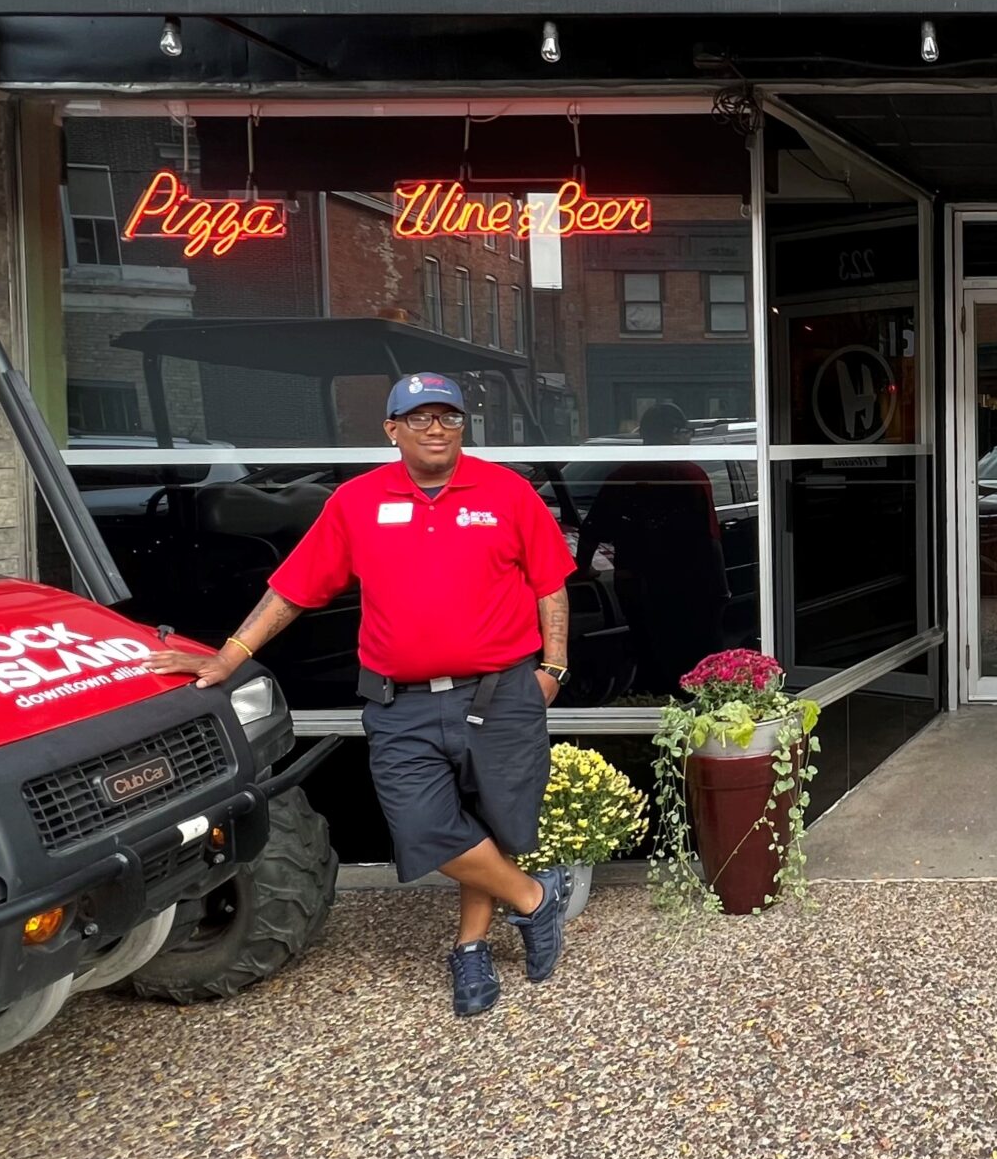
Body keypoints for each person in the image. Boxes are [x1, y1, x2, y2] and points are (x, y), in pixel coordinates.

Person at [148, 373, 577, 1018]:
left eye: (450, 417)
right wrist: (229, 655)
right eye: (421, 417)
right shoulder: (357, 501)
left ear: (464, 425)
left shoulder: (506, 492)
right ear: (392, 429)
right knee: (424, 826)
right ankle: (535, 900)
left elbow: (551, 584)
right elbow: (293, 589)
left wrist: (554, 669)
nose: (437, 429)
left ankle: (469, 949)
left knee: (495, 822)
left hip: (500, 693)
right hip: (400, 703)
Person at [580, 404, 729, 696]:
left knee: (648, 653)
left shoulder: (623, 475)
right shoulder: (690, 475)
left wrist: (583, 567)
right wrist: (721, 588)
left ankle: (650, 714)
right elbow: (710, 538)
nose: (688, 439)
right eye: (686, 432)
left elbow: (592, 528)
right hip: (688, 585)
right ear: (673, 434)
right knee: (692, 659)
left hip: (636, 584)